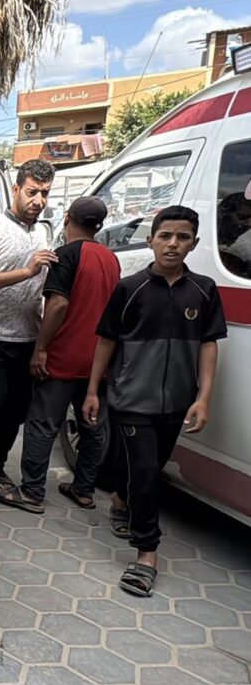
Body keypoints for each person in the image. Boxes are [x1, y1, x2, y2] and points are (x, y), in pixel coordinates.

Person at [83, 206, 226, 597]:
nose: (173, 244)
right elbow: (107, 341)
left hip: (177, 402)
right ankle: (147, 553)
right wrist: (94, 390)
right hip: (132, 399)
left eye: (182, 237)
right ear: (151, 241)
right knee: (147, 472)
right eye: (165, 236)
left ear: (194, 243)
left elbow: (208, 345)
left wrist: (204, 398)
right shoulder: (130, 288)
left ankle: (119, 498)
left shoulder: (204, 290)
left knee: (151, 466)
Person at [0, 197, 120, 514]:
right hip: (97, 363)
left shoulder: (65, 255)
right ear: (99, 225)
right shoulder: (111, 258)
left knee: (42, 424)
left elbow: (58, 304)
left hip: (63, 359)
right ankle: (83, 490)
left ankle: (33, 492)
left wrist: (41, 348)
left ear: (67, 218)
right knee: (92, 428)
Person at [0, 159, 58, 504]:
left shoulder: (42, 232)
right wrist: (26, 271)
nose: (38, 200)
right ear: (17, 189)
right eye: (32, 192)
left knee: (15, 411)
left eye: (45, 194)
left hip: (26, 337)